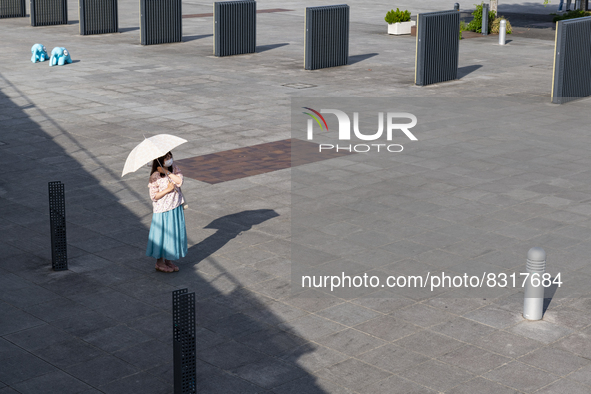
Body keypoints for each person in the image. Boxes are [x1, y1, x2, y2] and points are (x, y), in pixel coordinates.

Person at [146, 151, 187, 273]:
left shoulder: (174, 169)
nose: (169, 159)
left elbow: (179, 181)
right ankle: (159, 262)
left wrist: (167, 172)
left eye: (170, 156)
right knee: (162, 235)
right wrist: (168, 189)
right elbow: (154, 196)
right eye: (166, 157)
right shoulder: (155, 176)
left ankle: (168, 260)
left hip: (175, 207)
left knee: (173, 234)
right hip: (162, 210)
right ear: (160, 159)